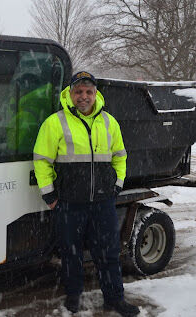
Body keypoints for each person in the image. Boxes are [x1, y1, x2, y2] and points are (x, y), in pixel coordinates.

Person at [33, 71, 140, 316]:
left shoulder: (109, 122)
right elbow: (41, 161)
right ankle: (73, 296)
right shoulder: (55, 122)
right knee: (71, 254)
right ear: (70, 94)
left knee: (109, 254)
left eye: (88, 92)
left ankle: (114, 299)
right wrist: (50, 196)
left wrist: (117, 185)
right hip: (70, 204)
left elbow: (120, 156)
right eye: (79, 92)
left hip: (103, 202)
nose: (84, 97)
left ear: (95, 94)